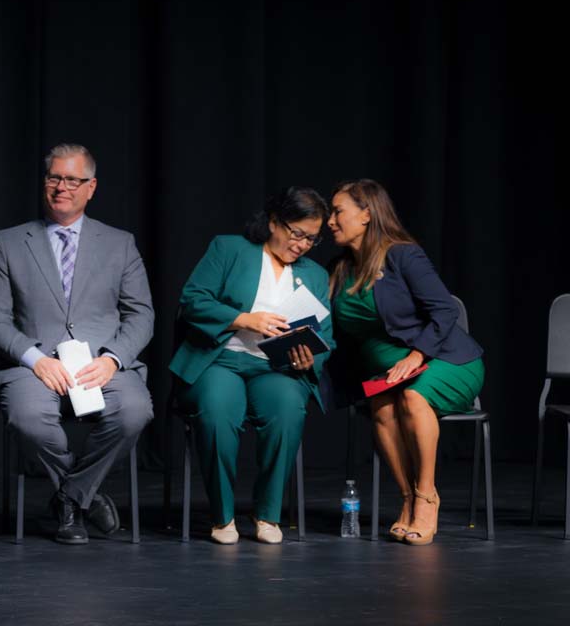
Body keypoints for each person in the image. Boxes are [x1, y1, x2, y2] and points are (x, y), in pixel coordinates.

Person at [0, 144, 154, 545]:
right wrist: (36, 359)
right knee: (27, 417)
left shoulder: (120, 243)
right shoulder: (7, 243)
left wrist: (112, 360)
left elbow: (142, 314)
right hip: (33, 366)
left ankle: (71, 498)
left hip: (100, 365)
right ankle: (86, 497)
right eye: (54, 177)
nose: (62, 187)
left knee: (134, 411)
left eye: (73, 180)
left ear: (91, 187)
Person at [170, 188, 333, 544]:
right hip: (220, 360)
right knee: (217, 412)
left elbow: (326, 337)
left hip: (276, 367)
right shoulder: (229, 249)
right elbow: (193, 300)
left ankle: (267, 513)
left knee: (288, 411)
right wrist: (244, 318)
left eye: (311, 239)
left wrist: (310, 357)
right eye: (297, 233)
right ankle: (222, 516)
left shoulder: (316, 275)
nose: (302, 245)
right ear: (274, 222)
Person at [327, 179, 484, 545]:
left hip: (445, 358)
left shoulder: (402, 255)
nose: (330, 221)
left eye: (338, 212)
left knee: (413, 397)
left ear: (366, 214)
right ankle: (407, 497)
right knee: (381, 408)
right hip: (386, 372)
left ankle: (427, 497)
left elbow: (444, 310)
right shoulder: (339, 268)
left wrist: (416, 356)